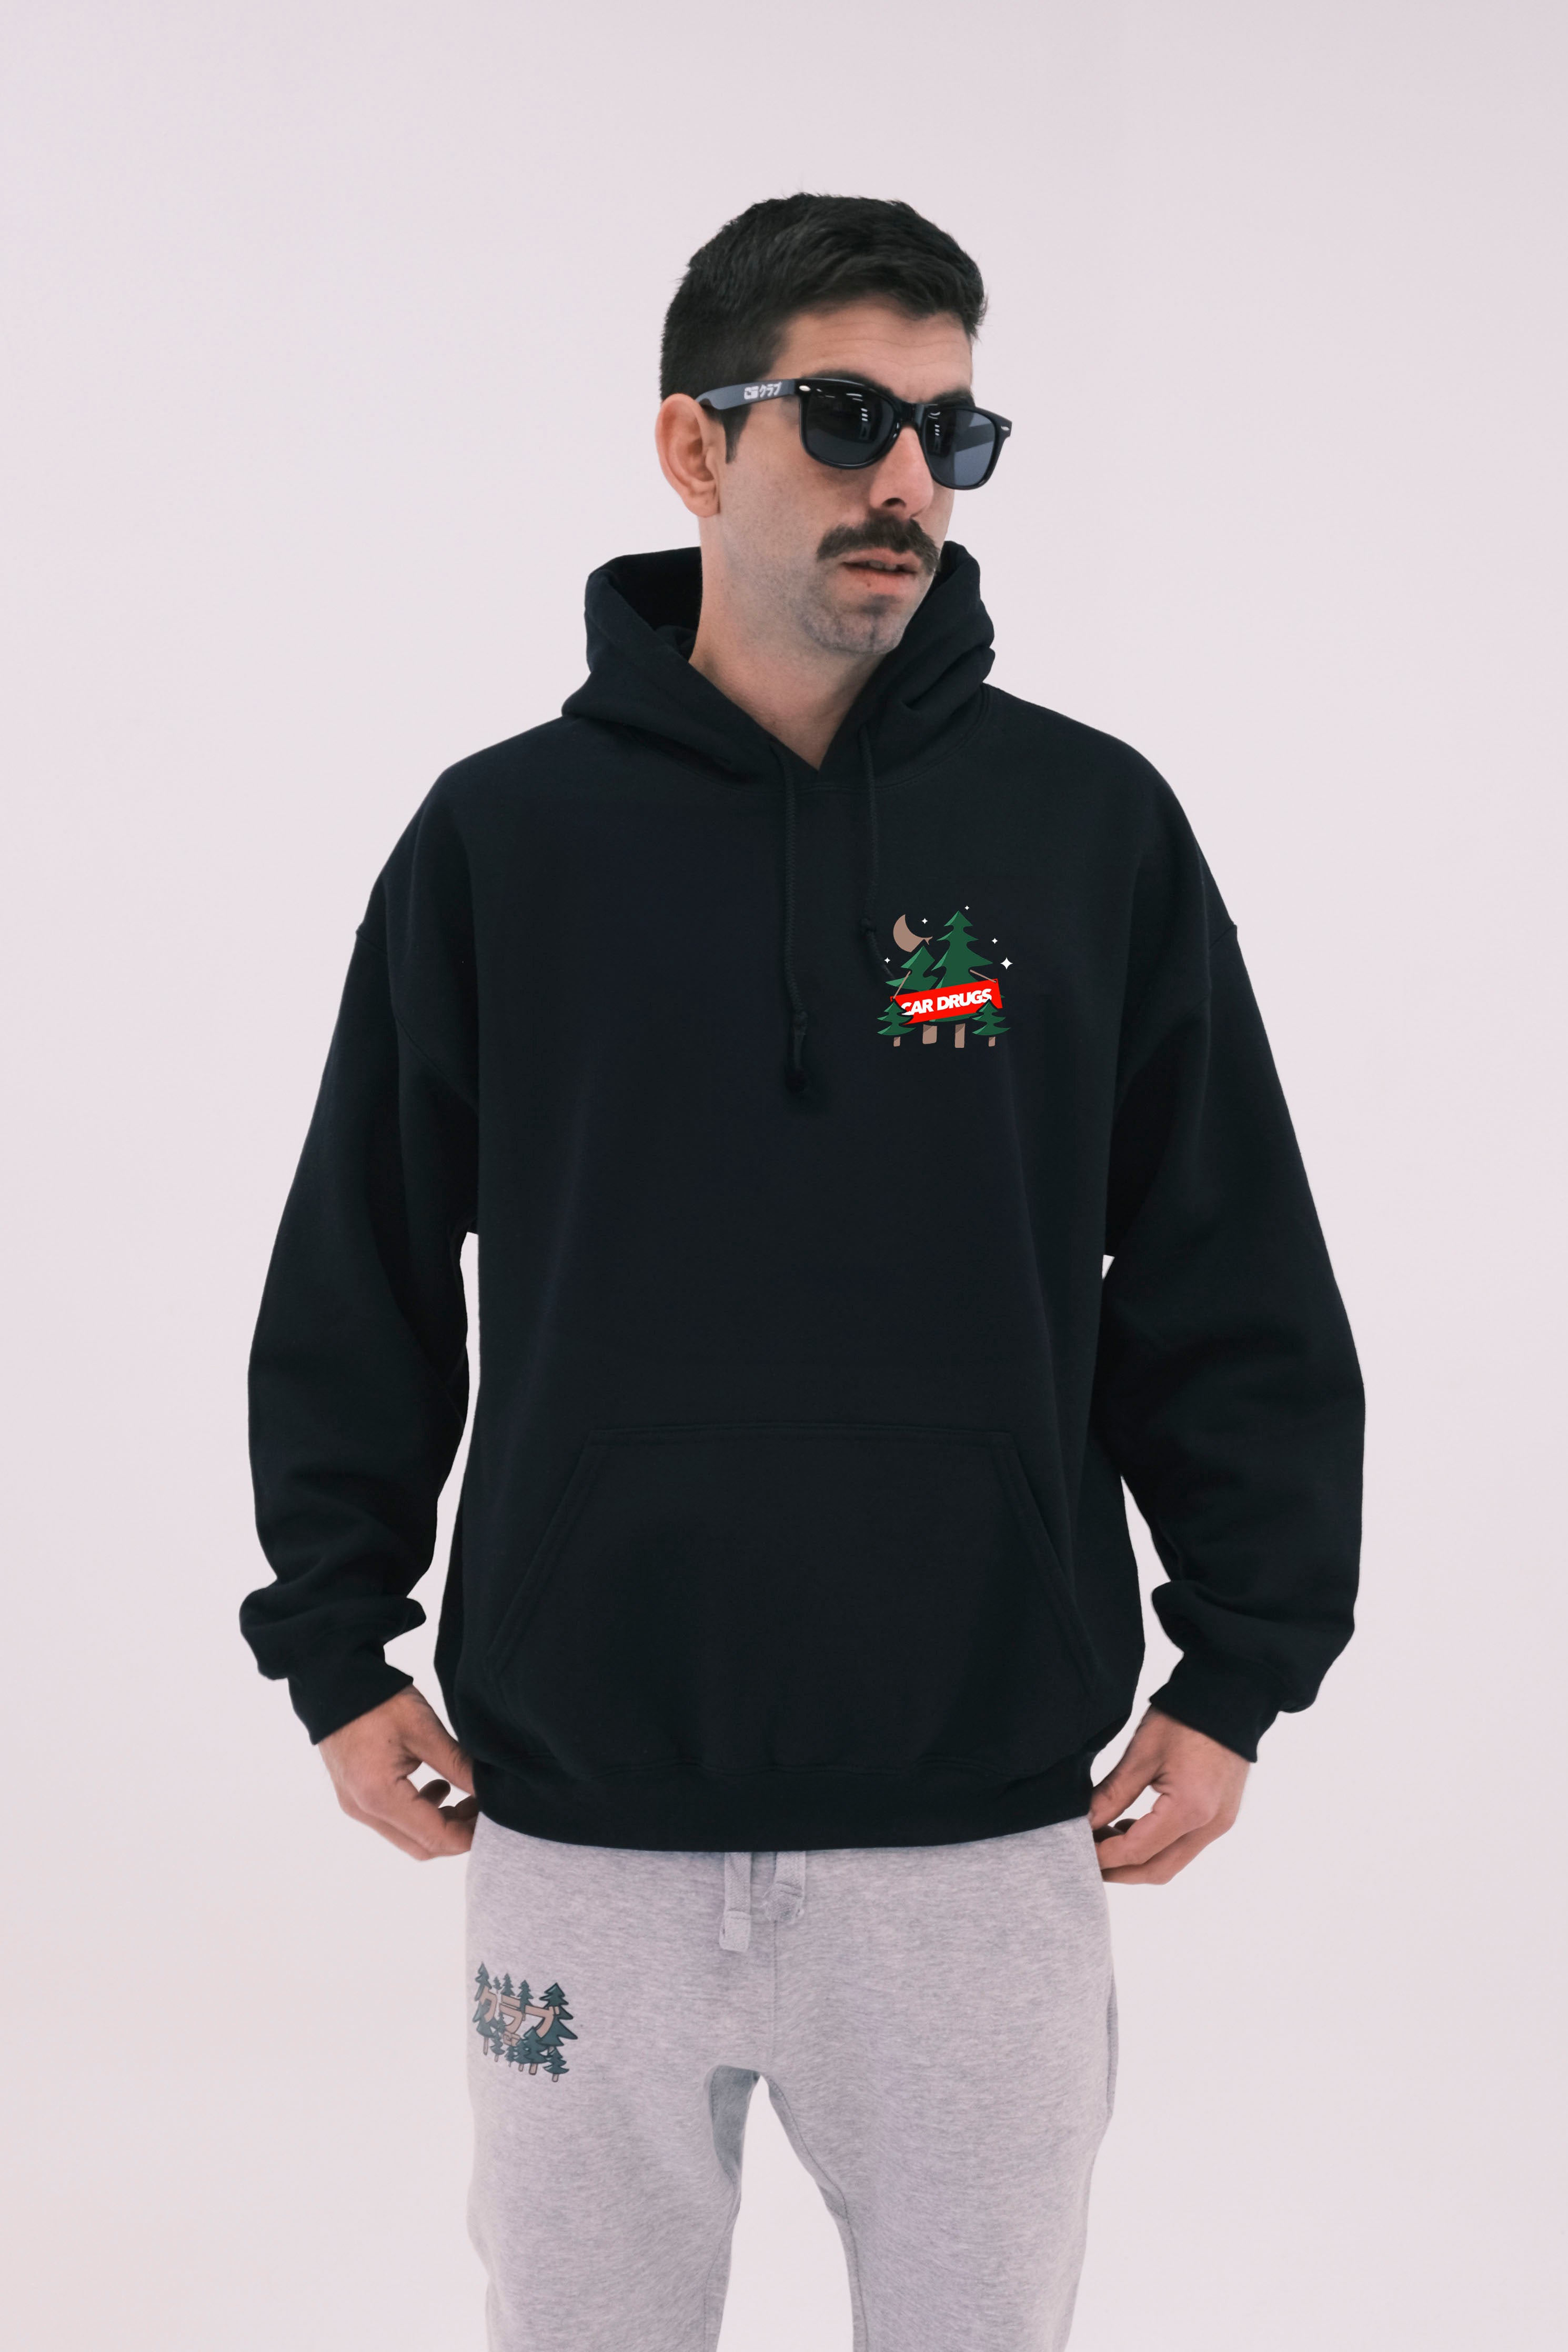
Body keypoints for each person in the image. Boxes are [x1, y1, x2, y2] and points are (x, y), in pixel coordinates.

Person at [242, 194, 1363, 2351]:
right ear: (694, 446)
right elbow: (358, 1260)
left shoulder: (1085, 828)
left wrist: (1242, 1661)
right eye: (847, 416)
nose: (907, 481)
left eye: (954, 430)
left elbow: (1225, 1263)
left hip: (978, 1823)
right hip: (585, 1809)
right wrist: (329, 1635)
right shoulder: (502, 840)